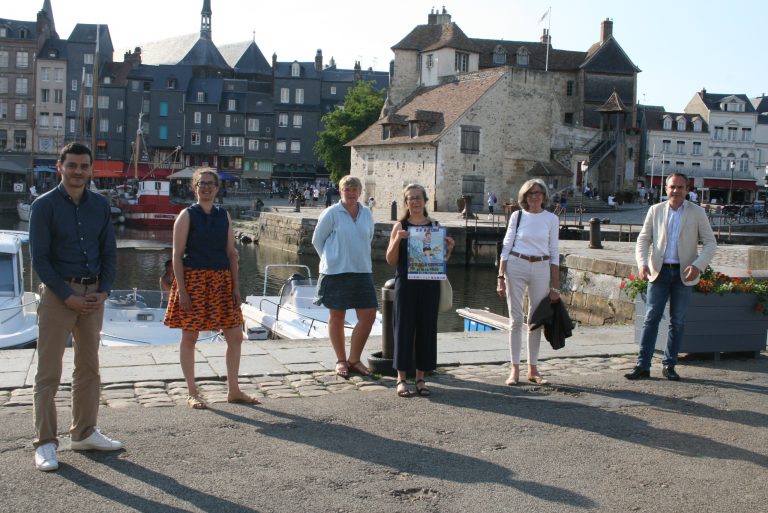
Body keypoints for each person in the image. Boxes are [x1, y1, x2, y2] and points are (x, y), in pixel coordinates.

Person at [29, 142, 120, 472]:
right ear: (60, 167)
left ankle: (83, 432)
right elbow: (39, 259)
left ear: (91, 170)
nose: (78, 171)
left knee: (89, 368)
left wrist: (105, 290)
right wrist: (66, 295)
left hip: (93, 293)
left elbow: (109, 252)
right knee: (49, 372)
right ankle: (45, 443)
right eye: (72, 165)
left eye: (84, 166)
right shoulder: (44, 206)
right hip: (59, 294)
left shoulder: (100, 205)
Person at [164, 168, 259, 409]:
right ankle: (192, 392)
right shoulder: (186, 215)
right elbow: (176, 256)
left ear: (217, 188)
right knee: (190, 336)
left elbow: (231, 253)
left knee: (235, 336)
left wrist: (236, 286)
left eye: (210, 184)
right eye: (201, 183)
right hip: (194, 280)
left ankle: (234, 390)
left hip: (222, 281)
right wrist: (182, 290)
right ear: (194, 187)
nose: (206, 187)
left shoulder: (223, 215)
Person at [626, 173, 717, 381]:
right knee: (651, 319)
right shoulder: (655, 210)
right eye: (672, 187)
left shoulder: (697, 213)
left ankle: (669, 365)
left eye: (680, 187)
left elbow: (710, 243)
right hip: (659, 271)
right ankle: (643, 366)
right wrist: (642, 263)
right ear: (665, 189)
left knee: (678, 321)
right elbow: (643, 240)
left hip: (684, 272)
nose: (676, 191)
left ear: (687, 189)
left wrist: (698, 265)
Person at [386, 184, 455, 397]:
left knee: (426, 330)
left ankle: (421, 378)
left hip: (429, 285)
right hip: (406, 284)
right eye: (410, 198)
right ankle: (401, 379)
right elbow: (390, 260)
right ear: (406, 202)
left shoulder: (434, 226)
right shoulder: (400, 226)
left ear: (425, 201)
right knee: (403, 330)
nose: (414, 201)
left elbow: (439, 261)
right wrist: (398, 239)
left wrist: (449, 249)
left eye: (418, 198)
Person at [496, 178, 561, 386]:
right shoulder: (518, 216)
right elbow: (506, 246)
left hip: (541, 267)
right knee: (515, 319)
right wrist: (500, 277)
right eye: (531, 193)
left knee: (536, 319)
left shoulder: (551, 219)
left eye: (538, 193)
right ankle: (514, 368)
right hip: (517, 264)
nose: (535, 196)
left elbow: (554, 252)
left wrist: (556, 285)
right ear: (524, 197)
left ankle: (533, 368)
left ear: (544, 196)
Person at [312, 175, 377, 378]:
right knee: (337, 316)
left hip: (362, 270)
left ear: (360, 192)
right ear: (340, 192)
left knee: (368, 316)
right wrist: (331, 259)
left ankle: (354, 359)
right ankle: (341, 360)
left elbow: (369, 238)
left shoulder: (366, 213)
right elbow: (317, 240)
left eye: (354, 189)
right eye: (346, 190)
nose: (350, 193)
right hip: (335, 272)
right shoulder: (331, 213)